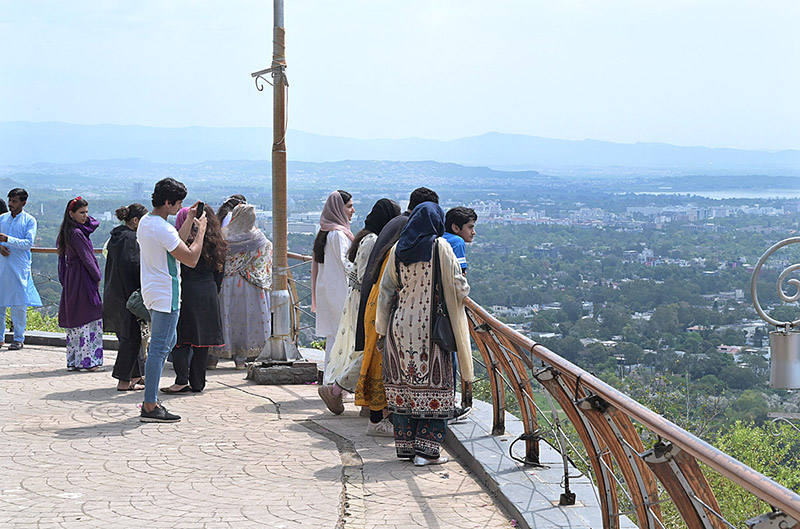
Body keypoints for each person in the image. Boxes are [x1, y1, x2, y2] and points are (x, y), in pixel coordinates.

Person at [375, 202, 472, 466]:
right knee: (436, 387)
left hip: (399, 327)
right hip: (430, 331)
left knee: (404, 387)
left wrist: (381, 330)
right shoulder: (441, 247)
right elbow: (458, 286)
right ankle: (427, 451)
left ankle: (406, 448)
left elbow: (386, 292)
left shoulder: (398, 249)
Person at [353, 188, 439, 434]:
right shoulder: (409, 234)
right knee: (384, 363)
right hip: (389, 307)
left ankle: (379, 416)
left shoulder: (397, 224)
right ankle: (380, 420)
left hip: (374, 300)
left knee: (379, 360)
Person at [318, 198, 400, 425]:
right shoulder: (373, 240)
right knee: (368, 349)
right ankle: (337, 389)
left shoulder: (366, 237)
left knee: (363, 349)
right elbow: (366, 275)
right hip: (364, 301)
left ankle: (361, 399)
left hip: (359, 299)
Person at [138, 178, 207, 423]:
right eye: (178, 203)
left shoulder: (147, 222)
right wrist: (202, 232)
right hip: (167, 293)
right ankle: (150, 404)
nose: (180, 207)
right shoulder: (162, 228)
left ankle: (151, 397)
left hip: (152, 292)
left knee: (168, 341)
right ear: (167, 203)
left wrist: (189, 221)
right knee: (158, 349)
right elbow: (190, 258)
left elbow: (172, 242)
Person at [161, 205, 226, 394]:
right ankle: (198, 382)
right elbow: (220, 273)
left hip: (186, 290)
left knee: (182, 338)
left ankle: (181, 380)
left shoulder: (183, 242)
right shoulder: (218, 243)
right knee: (202, 340)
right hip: (208, 291)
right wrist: (214, 290)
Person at [209, 204, 273, 369]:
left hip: (226, 284)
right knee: (245, 319)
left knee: (224, 318)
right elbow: (265, 257)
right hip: (251, 285)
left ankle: (213, 358)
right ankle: (241, 359)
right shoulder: (259, 238)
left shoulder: (222, 236)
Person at [104, 203, 148, 390]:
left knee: (131, 337)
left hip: (114, 293)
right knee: (132, 339)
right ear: (136, 221)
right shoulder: (131, 239)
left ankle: (136, 377)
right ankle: (123, 381)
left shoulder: (117, 237)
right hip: (128, 296)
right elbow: (133, 265)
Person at [56, 197, 104, 371]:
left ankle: (75, 360)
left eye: (86, 212)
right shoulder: (77, 234)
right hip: (83, 278)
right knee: (88, 317)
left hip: (71, 279)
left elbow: (61, 260)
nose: (86, 216)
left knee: (76, 318)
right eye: (81, 213)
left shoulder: (67, 232)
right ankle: (88, 361)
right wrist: (97, 277)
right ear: (71, 214)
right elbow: (88, 258)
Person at [311, 190, 355, 370]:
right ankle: (335, 382)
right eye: (349, 206)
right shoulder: (337, 234)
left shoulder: (326, 231)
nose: (352, 211)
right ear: (339, 208)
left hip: (330, 291)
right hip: (340, 293)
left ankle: (331, 383)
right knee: (342, 338)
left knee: (334, 338)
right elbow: (348, 264)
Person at [0, 188, 42, 350]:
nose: (11, 204)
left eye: (15, 201)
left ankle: (18, 338)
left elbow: (27, 243)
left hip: (18, 269)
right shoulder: (2, 218)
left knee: (18, 306)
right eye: (10, 201)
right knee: (0, 306)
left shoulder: (29, 221)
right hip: (2, 268)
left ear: (23, 203)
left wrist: (7, 239)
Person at [443, 206, 477, 274]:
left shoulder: (441, 237)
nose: (473, 232)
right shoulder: (457, 241)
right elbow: (459, 273)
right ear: (455, 228)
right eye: (470, 227)